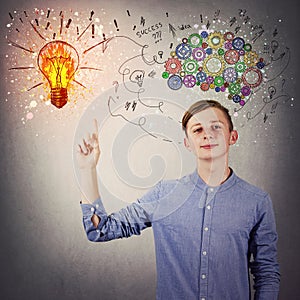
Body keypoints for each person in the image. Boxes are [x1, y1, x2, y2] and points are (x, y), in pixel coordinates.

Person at [77, 100, 280, 300]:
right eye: (198, 130)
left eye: (216, 127)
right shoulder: (163, 194)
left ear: (232, 136)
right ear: (187, 143)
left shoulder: (257, 202)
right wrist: (87, 170)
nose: (207, 134)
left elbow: (267, 273)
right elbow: (100, 230)